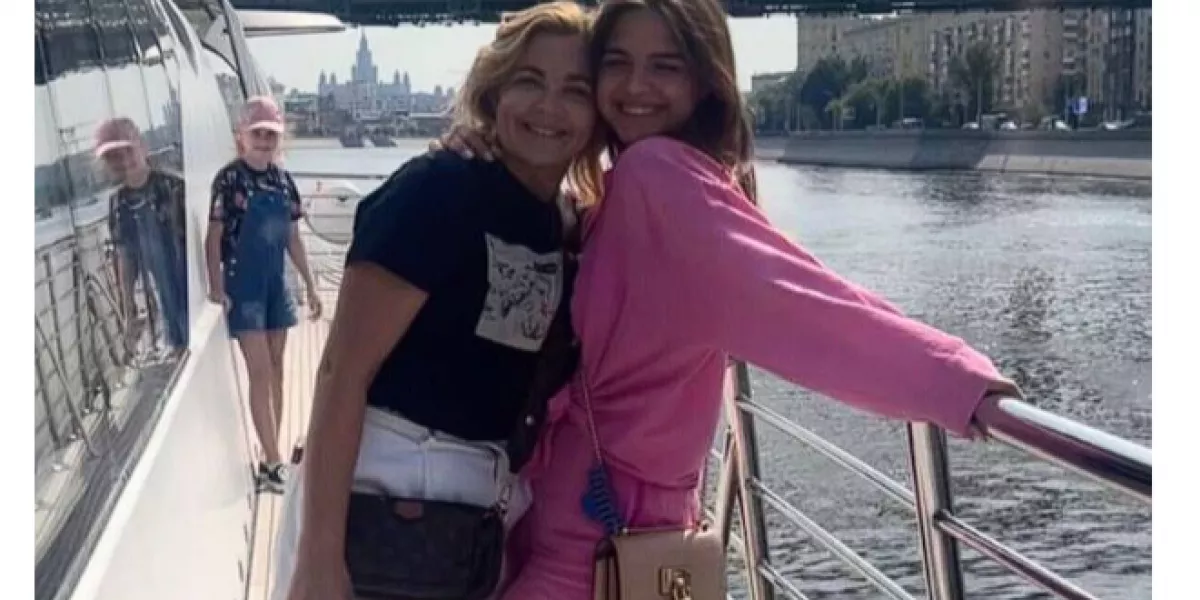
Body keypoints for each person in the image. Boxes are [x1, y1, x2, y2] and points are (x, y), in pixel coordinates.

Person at [433, 1, 1022, 598]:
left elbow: (807, 307)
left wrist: (959, 383)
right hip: (603, 540)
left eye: (665, 66)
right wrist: (485, 153)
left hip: (597, 553)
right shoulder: (627, 187)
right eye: (617, 63)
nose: (636, 86)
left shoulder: (655, 176)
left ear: (703, 80)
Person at [275, 3, 600, 600]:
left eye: (575, 90)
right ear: (494, 93)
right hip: (380, 511)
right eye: (529, 81)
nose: (549, 107)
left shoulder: (555, 222)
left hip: (466, 531)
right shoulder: (438, 190)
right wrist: (318, 558)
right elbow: (342, 372)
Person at [205, 96, 322, 494]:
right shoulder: (228, 180)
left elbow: (293, 237)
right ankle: (272, 461)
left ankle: (272, 452)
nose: (264, 140)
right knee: (259, 371)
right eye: (257, 133)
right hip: (244, 284)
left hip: (275, 283)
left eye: (271, 134)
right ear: (242, 136)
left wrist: (310, 284)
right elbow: (214, 236)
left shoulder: (283, 181)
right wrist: (217, 286)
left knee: (276, 368)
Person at [95, 116, 189, 354]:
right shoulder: (119, 204)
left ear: (142, 147)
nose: (123, 160)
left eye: (127, 151)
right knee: (178, 345)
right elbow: (126, 258)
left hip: (192, 291)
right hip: (165, 298)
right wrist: (128, 310)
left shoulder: (174, 187)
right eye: (113, 156)